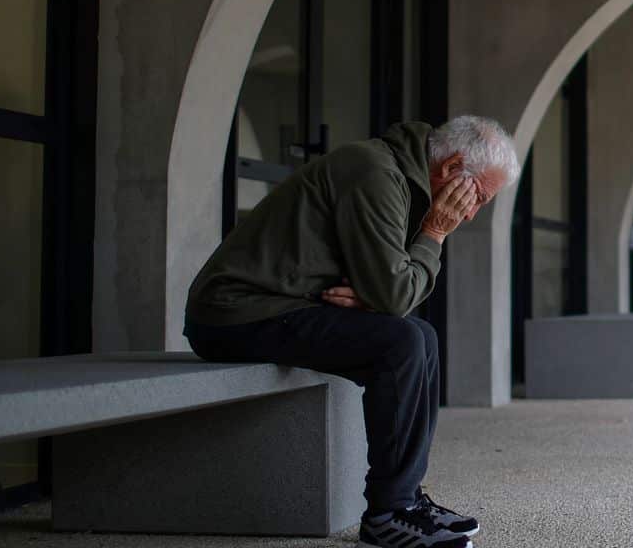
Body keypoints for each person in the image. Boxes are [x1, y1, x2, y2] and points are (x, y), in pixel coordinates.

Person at [184, 116, 520, 548]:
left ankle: (406, 499)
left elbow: (393, 294)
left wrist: (378, 294)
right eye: (479, 198)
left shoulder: (403, 179)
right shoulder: (376, 173)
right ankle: (388, 514)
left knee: (421, 337)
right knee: (401, 342)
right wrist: (433, 234)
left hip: (288, 303)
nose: (470, 213)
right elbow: (397, 294)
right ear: (452, 168)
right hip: (235, 313)